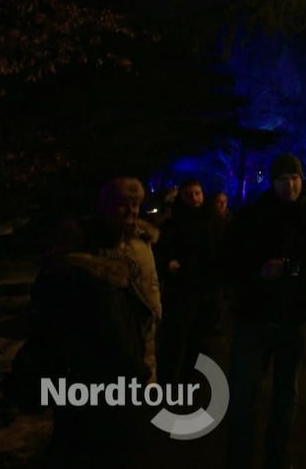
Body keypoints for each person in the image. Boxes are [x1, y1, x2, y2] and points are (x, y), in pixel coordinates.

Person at [30, 177, 160, 468]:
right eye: (123, 205)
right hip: (92, 368)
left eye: (136, 205)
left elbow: (146, 304)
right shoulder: (85, 246)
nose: (131, 211)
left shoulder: (139, 243)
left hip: (130, 357)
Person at [225, 153, 306, 469]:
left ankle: (277, 457)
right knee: (244, 393)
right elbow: (230, 261)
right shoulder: (252, 217)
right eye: (282, 179)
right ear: (272, 181)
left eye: (295, 178)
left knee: (286, 394)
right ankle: (240, 457)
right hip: (256, 315)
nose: (290, 185)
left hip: (299, 316)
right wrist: (258, 273)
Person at [155, 178, 224, 383]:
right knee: (175, 338)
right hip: (181, 290)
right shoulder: (173, 223)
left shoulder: (213, 221)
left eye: (197, 193)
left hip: (207, 290)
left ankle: (193, 379)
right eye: (189, 194)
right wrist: (169, 264)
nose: (194, 198)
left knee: (201, 338)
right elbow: (162, 251)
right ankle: (168, 379)